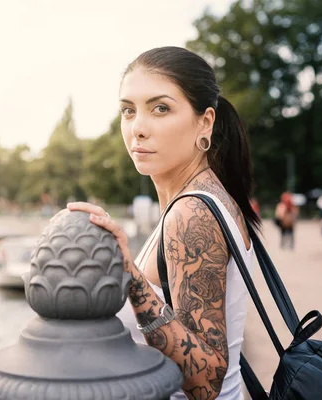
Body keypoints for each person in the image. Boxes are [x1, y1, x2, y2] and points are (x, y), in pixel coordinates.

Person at [63, 47, 261, 399]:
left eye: (160, 108)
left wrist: (129, 272)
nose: (138, 128)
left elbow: (206, 383)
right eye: (128, 110)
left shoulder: (192, 213)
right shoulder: (200, 199)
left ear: (205, 122)